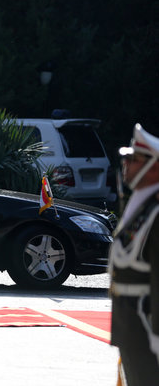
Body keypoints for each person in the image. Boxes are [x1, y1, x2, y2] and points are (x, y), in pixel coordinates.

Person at [109, 123, 159, 385]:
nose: (126, 165)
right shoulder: (141, 208)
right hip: (132, 326)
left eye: (134, 160)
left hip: (147, 327)